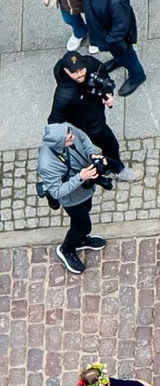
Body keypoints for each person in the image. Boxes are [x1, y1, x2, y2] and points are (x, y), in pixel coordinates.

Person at [52, 53, 136, 181]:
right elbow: (53, 122)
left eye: (81, 69)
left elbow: (102, 74)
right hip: (92, 126)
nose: (80, 74)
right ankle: (117, 170)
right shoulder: (64, 96)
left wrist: (108, 93)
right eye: (75, 72)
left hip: (96, 113)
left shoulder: (89, 63)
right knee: (111, 146)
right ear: (66, 71)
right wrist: (62, 140)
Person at [39, 121, 107, 274]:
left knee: (87, 209)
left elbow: (83, 137)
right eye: (69, 138)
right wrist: (80, 177)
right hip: (71, 199)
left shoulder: (68, 130)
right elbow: (56, 191)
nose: (73, 137)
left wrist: (91, 153)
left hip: (84, 189)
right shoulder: (47, 164)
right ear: (59, 143)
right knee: (83, 225)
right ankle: (67, 249)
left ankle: (81, 240)